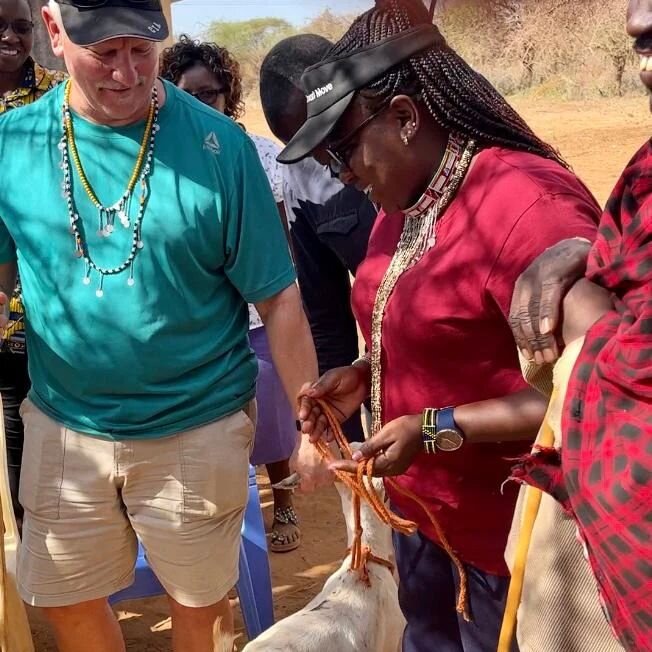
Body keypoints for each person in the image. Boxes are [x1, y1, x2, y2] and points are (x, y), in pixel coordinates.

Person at [283, 1, 602, 650]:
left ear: (403, 118)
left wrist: (435, 429)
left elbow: (591, 392)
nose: (342, 175)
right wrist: (364, 376)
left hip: (511, 545)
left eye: (343, 150)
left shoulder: (526, 206)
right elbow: (436, 332)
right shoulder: (402, 199)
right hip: (424, 524)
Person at [0, 2, 317, 652]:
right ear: (54, 32)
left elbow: (280, 300)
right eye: (103, 54)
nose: (125, 74)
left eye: (140, 51)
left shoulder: (219, 148)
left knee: (200, 606)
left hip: (197, 425)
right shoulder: (12, 147)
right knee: (63, 598)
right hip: (64, 426)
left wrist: (312, 426)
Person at [506, 2, 652, 649]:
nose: (636, 20)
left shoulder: (526, 202)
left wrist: (584, 324)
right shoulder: (642, 181)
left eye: (347, 144)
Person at [160, 35, 301, 554]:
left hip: (257, 316)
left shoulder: (260, 156)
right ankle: (232, 522)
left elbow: (281, 245)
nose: (201, 105)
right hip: (198, 325)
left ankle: (283, 501)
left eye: (211, 94)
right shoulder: (159, 160)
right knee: (214, 433)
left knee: (271, 423)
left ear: (228, 95)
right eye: (188, 94)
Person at [260, 34, 377, 445]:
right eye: (308, 147)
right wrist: (343, 440)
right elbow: (326, 317)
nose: (333, 163)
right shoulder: (299, 177)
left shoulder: (422, 139)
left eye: (330, 135)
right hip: (384, 390)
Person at [0, 0, 65, 528]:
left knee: (27, 426)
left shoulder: (58, 96)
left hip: (38, 297)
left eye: (21, 27)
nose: (10, 37)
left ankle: (34, 549)